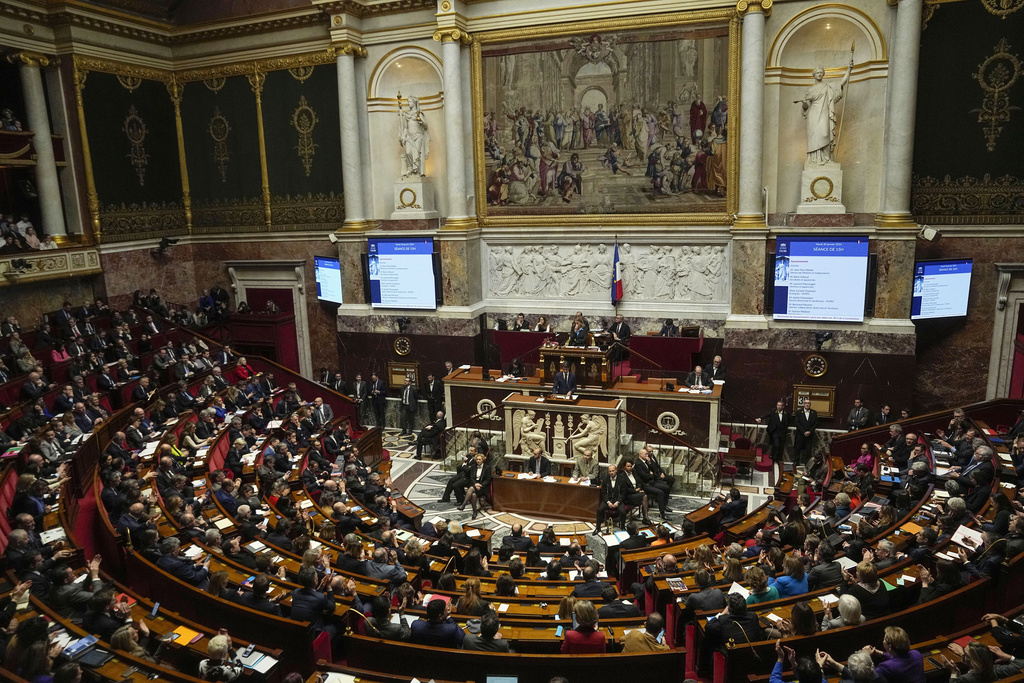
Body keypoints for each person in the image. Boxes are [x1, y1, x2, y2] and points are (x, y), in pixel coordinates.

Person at [597, 464, 625, 529]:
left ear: (616, 470)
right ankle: (597, 528)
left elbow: (623, 493)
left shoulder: (622, 480)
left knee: (623, 511)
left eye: (613, 471)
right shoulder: (605, 479)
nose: (611, 473)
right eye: (610, 471)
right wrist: (608, 502)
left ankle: (623, 527)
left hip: (617, 500)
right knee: (600, 510)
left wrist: (618, 502)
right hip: (608, 500)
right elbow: (603, 493)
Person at [795, 398, 818, 465]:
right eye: (805, 403)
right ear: (803, 404)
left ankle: (807, 464)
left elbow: (815, 424)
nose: (807, 404)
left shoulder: (814, 413)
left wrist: (809, 431)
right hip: (800, 434)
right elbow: (797, 423)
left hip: (809, 435)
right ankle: (796, 463)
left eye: (808, 403)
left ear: (810, 405)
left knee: (808, 450)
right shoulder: (799, 412)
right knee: (797, 449)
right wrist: (803, 432)